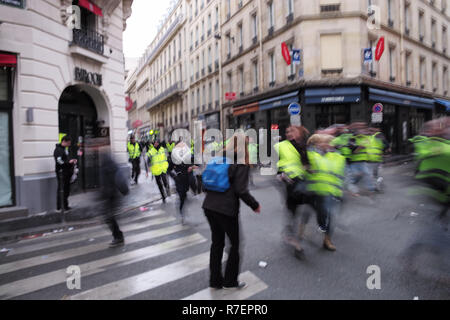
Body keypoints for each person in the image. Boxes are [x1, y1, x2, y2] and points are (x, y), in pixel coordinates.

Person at [202, 133, 261, 290]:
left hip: (209, 206)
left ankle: (215, 281)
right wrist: (255, 205)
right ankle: (230, 281)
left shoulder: (218, 158)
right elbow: (241, 190)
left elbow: (204, 184)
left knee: (217, 243)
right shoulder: (240, 162)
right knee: (235, 245)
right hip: (226, 210)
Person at [298, 134, 346, 251]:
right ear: (316, 144)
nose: (326, 145)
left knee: (329, 216)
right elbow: (301, 166)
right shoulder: (310, 154)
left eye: (328, 143)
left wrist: (339, 191)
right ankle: (300, 233)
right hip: (312, 191)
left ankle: (327, 240)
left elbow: (340, 175)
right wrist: (306, 168)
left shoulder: (337, 157)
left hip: (328, 192)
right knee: (309, 213)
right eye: (322, 142)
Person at [274, 125, 310, 255]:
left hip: (302, 181)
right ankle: (293, 240)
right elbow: (274, 162)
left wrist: (309, 169)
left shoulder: (305, 145)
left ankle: (296, 230)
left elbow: (307, 164)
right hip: (287, 182)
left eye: (292, 131)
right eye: (287, 131)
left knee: (308, 208)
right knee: (292, 210)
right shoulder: (281, 145)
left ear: (300, 132)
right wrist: (280, 174)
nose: (289, 133)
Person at [98, 148, 128, 248]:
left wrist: (123, 190)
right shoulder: (106, 166)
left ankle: (119, 237)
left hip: (112, 196)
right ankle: (118, 236)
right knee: (108, 217)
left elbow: (118, 179)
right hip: (108, 195)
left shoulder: (109, 166)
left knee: (109, 217)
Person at [169, 141, 196, 224]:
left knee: (185, 194)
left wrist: (191, 167)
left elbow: (195, 163)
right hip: (179, 180)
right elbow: (168, 170)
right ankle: (182, 213)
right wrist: (175, 176)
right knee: (182, 197)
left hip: (187, 178)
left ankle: (192, 192)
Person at [54, 135, 77, 211]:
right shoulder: (58, 150)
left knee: (66, 190)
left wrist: (71, 160)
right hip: (62, 173)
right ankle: (60, 207)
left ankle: (65, 205)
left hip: (66, 172)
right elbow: (59, 161)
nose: (69, 145)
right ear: (64, 141)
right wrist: (68, 162)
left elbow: (66, 158)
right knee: (62, 189)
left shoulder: (64, 149)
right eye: (68, 143)